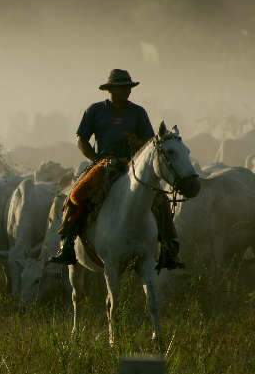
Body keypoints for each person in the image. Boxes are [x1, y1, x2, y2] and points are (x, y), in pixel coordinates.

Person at [49, 69, 184, 271]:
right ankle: (67, 244)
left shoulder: (138, 112)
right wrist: (95, 159)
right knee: (77, 194)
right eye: (123, 88)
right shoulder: (95, 110)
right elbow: (81, 140)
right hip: (104, 164)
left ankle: (168, 247)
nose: (127, 91)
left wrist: (135, 141)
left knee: (160, 198)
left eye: (129, 88)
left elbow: (149, 144)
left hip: (133, 165)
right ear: (111, 89)